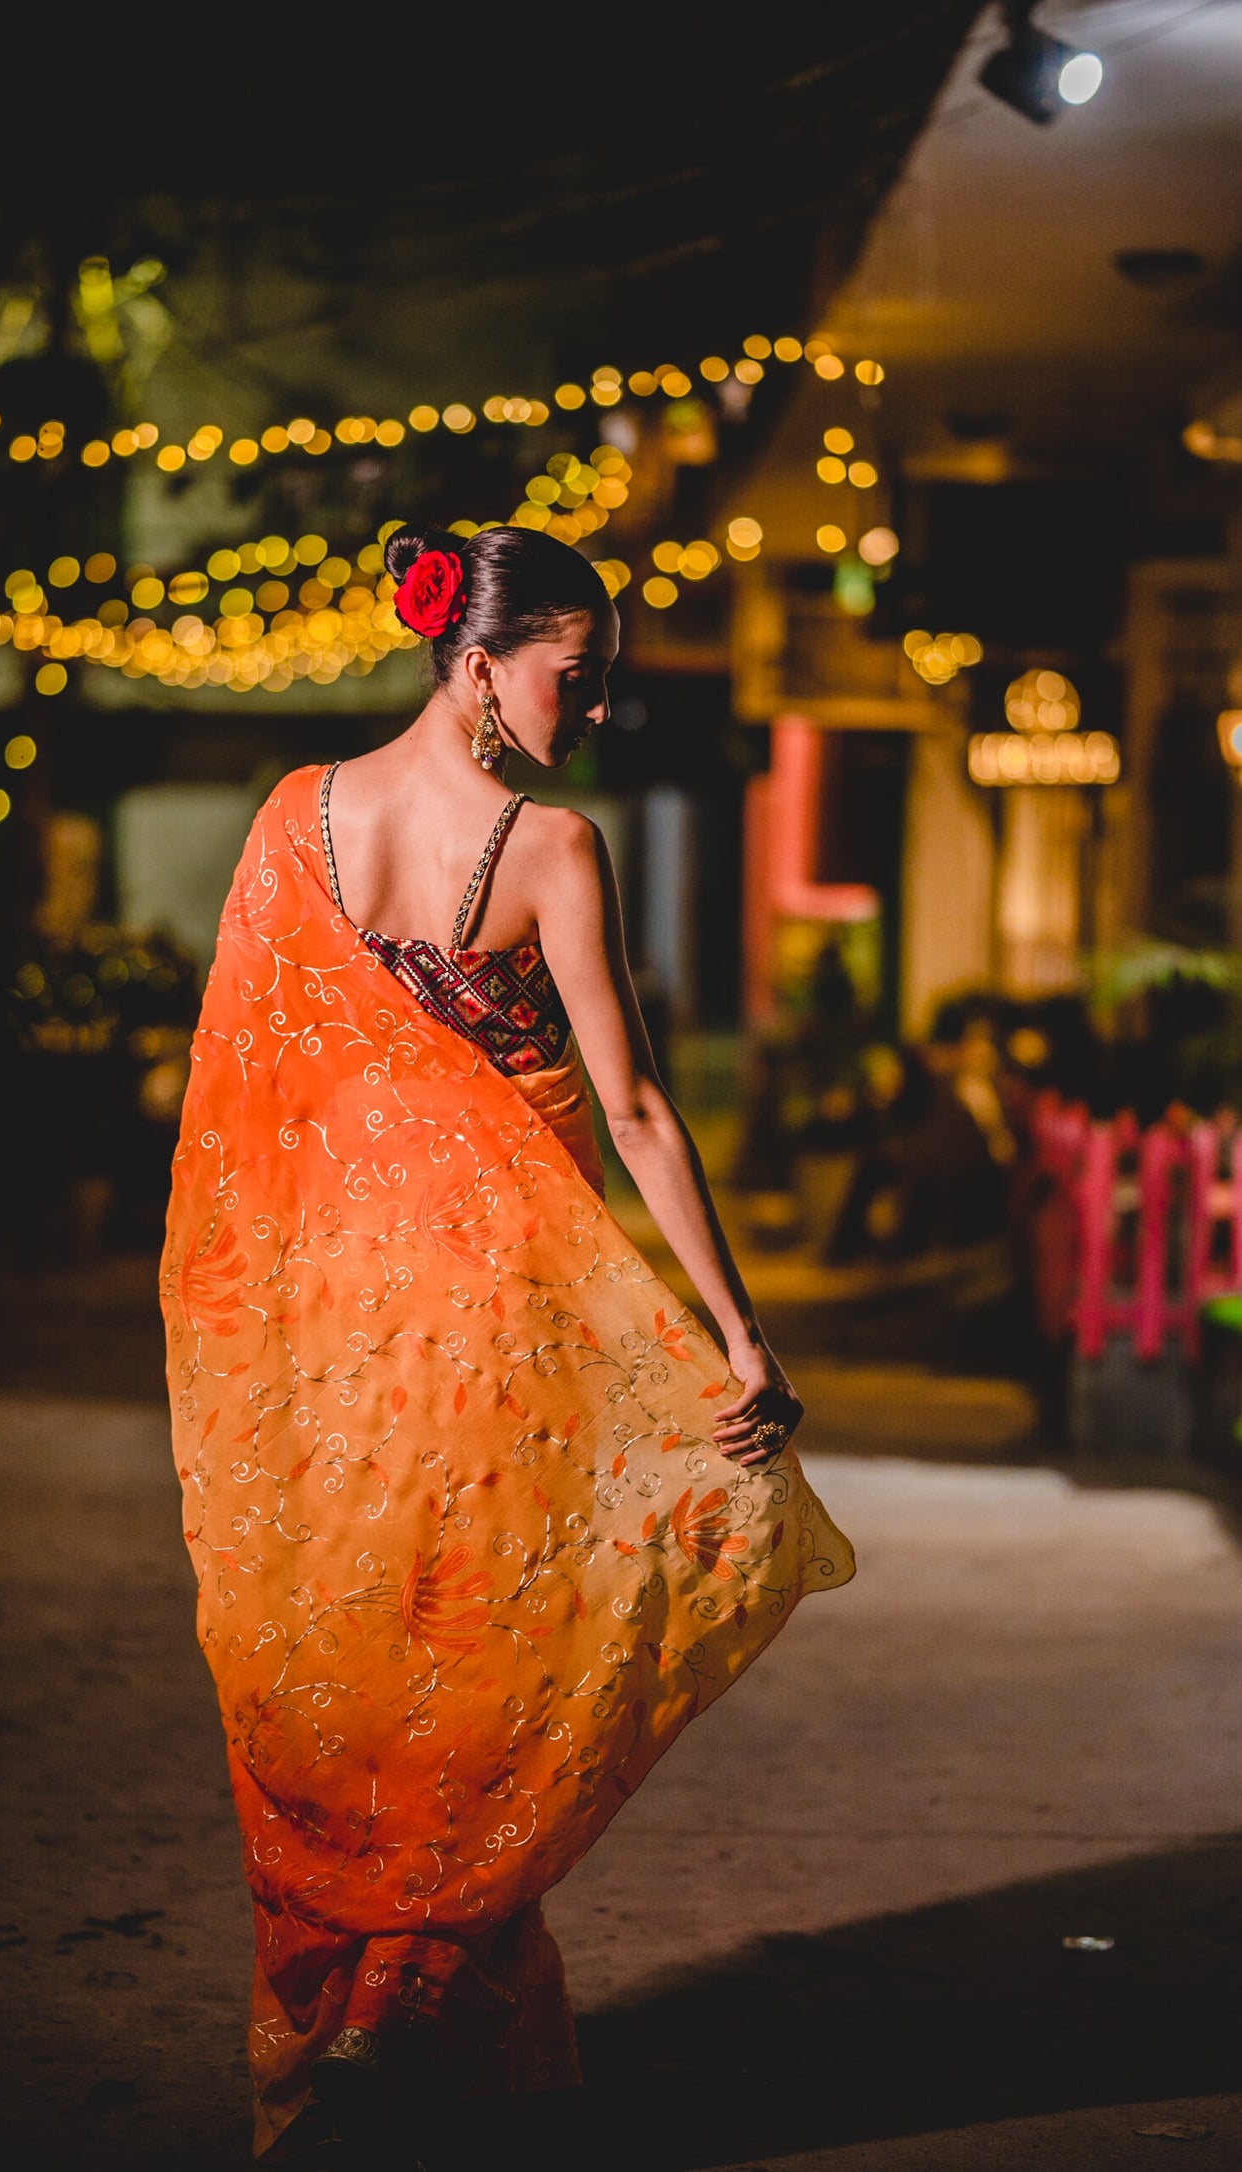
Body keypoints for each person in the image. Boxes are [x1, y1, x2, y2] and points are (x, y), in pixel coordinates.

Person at [160, 524, 855, 2168]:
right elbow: (629, 1110)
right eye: (577, 673)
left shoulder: (291, 822)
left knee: (360, 1668)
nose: (595, 709)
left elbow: (247, 1115)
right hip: (485, 1349)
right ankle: (407, 2013)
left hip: (329, 1341)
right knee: (492, 1670)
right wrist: (736, 1337)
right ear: (479, 658)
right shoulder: (547, 849)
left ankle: (376, 2014)